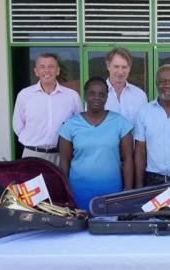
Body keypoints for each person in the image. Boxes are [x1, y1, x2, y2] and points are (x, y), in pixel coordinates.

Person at [58, 76, 134, 211]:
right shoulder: (70, 125)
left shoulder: (120, 123)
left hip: (112, 193)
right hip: (79, 192)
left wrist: (127, 191)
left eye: (101, 94)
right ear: (85, 95)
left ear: (106, 96)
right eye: (92, 93)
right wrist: (64, 192)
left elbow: (128, 159)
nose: (97, 97)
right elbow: (64, 163)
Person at [12, 53, 82, 165]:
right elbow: (18, 125)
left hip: (62, 156)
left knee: (61, 183)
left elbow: (79, 125)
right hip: (33, 155)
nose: (46, 70)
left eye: (51, 66)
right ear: (36, 71)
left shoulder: (72, 96)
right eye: (42, 67)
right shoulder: (24, 95)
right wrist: (32, 141)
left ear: (58, 70)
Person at [105, 48, 148, 126]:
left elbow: (143, 126)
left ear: (129, 69)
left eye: (124, 67)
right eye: (116, 67)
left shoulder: (140, 95)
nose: (120, 71)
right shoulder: (96, 94)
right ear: (108, 66)